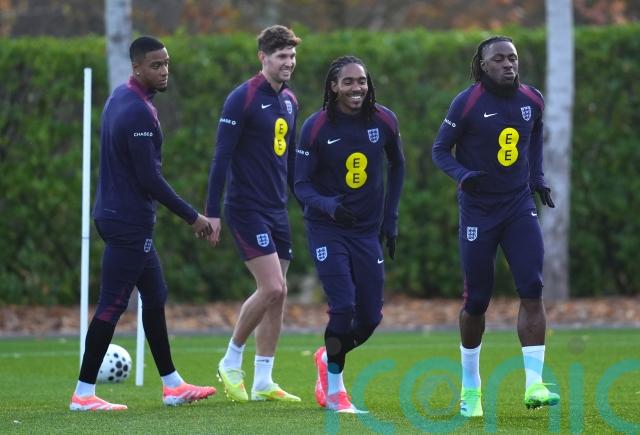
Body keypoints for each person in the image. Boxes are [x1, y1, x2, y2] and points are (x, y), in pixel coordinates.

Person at [69, 36, 216, 411]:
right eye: (156, 65)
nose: (164, 70)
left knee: (155, 294)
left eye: (166, 63)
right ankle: (83, 394)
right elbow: (149, 179)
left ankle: (172, 385)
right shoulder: (137, 111)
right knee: (112, 305)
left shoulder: (121, 96)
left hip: (118, 216)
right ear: (137, 67)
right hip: (127, 222)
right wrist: (193, 216)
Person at [431, 36, 560, 417]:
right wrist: (462, 175)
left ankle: (534, 384)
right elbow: (440, 150)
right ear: (483, 65)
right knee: (476, 301)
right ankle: (471, 389)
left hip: (518, 206)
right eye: (499, 59)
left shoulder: (532, 99)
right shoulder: (467, 102)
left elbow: (534, 136)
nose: (508, 65)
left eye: (512, 58)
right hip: (479, 212)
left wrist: (536, 178)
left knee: (532, 287)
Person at [295, 56, 405, 413]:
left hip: (366, 231)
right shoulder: (316, 127)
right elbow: (301, 184)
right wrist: (329, 205)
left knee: (370, 317)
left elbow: (398, 164)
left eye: (362, 81)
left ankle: (327, 357)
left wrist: (390, 219)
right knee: (343, 307)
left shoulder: (384, 120)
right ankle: (335, 392)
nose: (357, 88)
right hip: (327, 228)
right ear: (333, 87)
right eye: (349, 82)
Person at [204, 25, 301, 403]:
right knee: (272, 286)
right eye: (281, 56)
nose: (289, 62)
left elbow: (289, 161)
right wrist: (211, 213)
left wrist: (306, 201)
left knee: (280, 294)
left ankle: (263, 380)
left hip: (277, 209)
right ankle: (230, 360)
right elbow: (221, 158)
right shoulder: (241, 98)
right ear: (263, 57)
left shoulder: (290, 101)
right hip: (246, 208)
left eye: (292, 56)